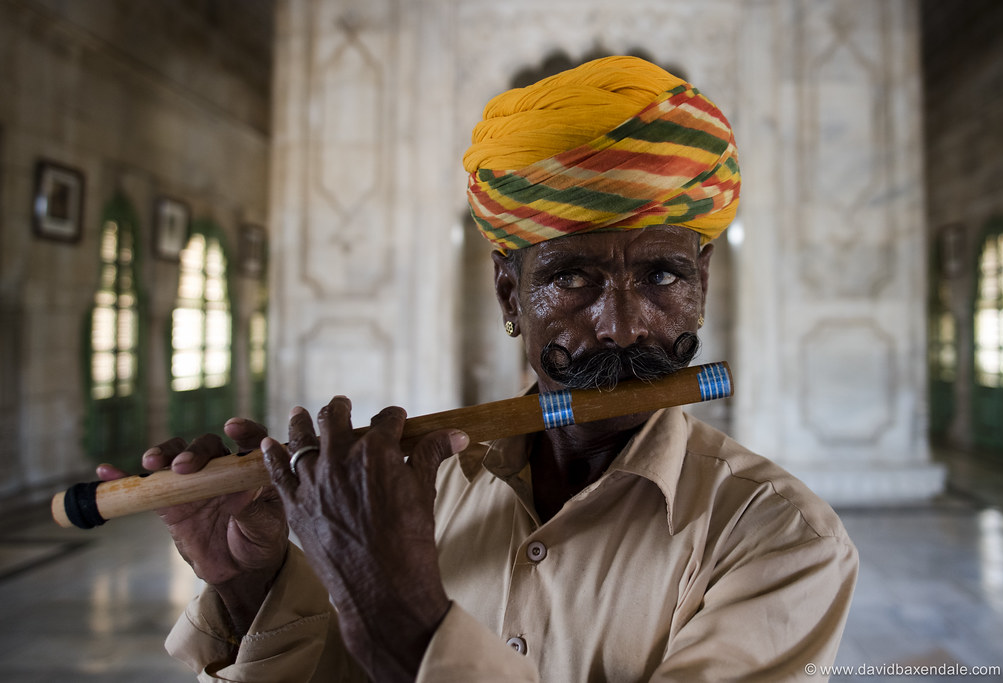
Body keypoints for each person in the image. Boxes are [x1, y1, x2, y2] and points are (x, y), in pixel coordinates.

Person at [101, 56, 858, 681]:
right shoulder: (421, 490)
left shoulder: (780, 539)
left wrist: (399, 610)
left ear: (700, 290)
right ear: (509, 292)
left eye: (661, 277)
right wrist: (249, 587)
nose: (622, 323)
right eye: (573, 279)